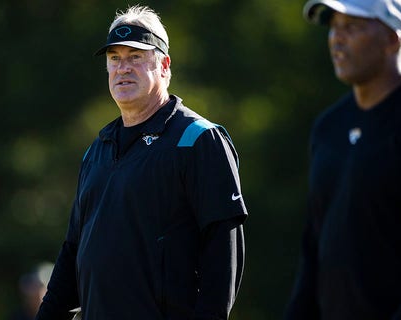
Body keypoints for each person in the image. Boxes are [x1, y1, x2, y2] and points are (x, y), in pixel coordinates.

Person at [34, 5, 248, 320]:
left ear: (164, 65)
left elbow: (222, 250)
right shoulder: (97, 150)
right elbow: (73, 252)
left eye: (136, 57)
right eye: (114, 59)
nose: (123, 68)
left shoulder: (197, 139)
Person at [285, 0, 401, 319]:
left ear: (393, 38)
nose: (337, 38)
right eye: (334, 27)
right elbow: (316, 242)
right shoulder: (329, 126)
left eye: (351, 26)